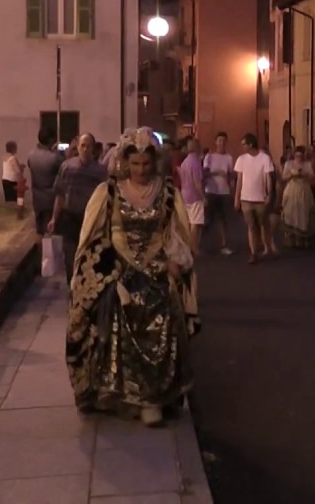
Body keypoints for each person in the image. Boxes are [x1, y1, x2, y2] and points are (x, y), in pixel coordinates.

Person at [66, 127, 199, 427]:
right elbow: (93, 238)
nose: (141, 170)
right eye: (135, 164)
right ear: (125, 162)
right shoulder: (108, 193)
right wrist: (108, 273)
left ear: (155, 162)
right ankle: (123, 394)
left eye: (146, 164)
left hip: (158, 270)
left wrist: (176, 260)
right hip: (120, 270)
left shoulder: (167, 194)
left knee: (162, 325)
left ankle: (153, 398)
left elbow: (176, 232)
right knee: (116, 325)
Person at [49, 134, 109, 283]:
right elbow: (60, 194)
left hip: (90, 219)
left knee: (89, 257)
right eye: (83, 146)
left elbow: (105, 197)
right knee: (70, 257)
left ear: (93, 149)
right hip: (70, 217)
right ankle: (72, 288)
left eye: (89, 146)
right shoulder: (67, 167)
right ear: (78, 147)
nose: (85, 149)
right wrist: (54, 218)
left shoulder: (100, 171)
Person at [234, 133, 276, 265]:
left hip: (260, 198)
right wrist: (237, 197)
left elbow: (269, 178)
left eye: (244, 144)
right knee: (251, 226)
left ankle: (267, 247)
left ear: (251, 144)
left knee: (263, 224)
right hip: (246, 198)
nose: (242, 147)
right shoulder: (241, 159)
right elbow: (239, 180)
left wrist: (269, 194)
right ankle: (253, 253)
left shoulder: (264, 158)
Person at [27, 127, 65, 237]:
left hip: (37, 197)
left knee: (39, 231)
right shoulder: (55, 158)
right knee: (51, 231)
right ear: (51, 139)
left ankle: (41, 252)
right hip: (51, 200)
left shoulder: (31, 154)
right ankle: (49, 254)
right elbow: (64, 168)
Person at [203, 132, 236, 256]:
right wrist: (216, 173)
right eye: (219, 140)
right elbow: (204, 173)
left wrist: (231, 181)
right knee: (208, 219)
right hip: (211, 190)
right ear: (215, 142)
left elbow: (232, 174)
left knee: (223, 219)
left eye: (223, 141)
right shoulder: (209, 156)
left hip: (224, 191)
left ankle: (224, 244)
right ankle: (200, 242)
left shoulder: (229, 157)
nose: (221, 143)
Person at [281, 146, 315, 249]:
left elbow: (311, 176)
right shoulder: (289, 164)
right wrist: (292, 174)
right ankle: (291, 237)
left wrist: (303, 174)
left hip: (303, 190)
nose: (299, 158)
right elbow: (284, 177)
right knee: (290, 212)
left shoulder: (307, 164)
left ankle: (303, 237)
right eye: (297, 156)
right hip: (292, 189)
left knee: (303, 213)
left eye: (301, 156)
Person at [179, 137, 206, 252]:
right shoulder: (195, 162)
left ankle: (189, 246)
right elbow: (197, 182)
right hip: (195, 196)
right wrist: (203, 197)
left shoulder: (185, 162)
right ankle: (193, 248)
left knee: (190, 222)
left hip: (185, 194)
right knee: (196, 223)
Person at [2, 141, 24, 209]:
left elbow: (9, 166)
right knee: (14, 199)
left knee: (8, 199)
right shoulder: (13, 158)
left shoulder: (5, 157)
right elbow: (17, 170)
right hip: (12, 180)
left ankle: (9, 211)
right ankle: (17, 211)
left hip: (5, 179)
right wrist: (21, 170)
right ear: (13, 148)